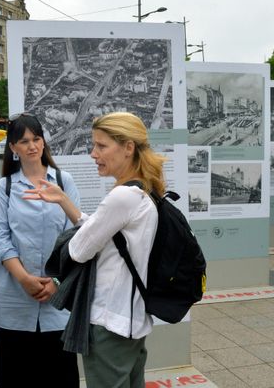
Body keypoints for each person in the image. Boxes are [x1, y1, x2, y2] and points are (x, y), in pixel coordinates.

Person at [24, 112, 166, 388]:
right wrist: (65, 201)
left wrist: (68, 241)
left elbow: (79, 249)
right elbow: (108, 235)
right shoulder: (144, 189)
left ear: (128, 148)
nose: (93, 153)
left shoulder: (122, 196)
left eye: (101, 146)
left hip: (109, 324)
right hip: (132, 320)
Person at [0, 113, 81, 387]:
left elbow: (77, 239)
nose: (32, 146)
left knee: (60, 377)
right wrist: (25, 279)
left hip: (58, 300)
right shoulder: (5, 187)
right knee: (18, 376)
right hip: (16, 301)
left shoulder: (63, 181)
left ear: (44, 142)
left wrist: (56, 282)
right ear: (13, 148)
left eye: (36, 139)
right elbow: (1, 239)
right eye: (24, 141)